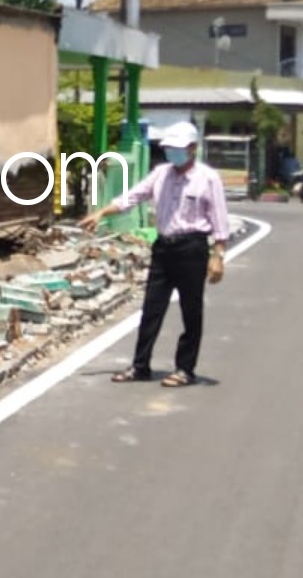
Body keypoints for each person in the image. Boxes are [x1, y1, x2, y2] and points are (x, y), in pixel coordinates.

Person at [78, 121, 230, 387]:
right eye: (170, 148)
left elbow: (219, 219)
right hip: (163, 247)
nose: (173, 153)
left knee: (191, 311)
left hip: (192, 248)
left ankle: (185, 369)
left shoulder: (208, 178)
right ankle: (140, 366)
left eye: (178, 148)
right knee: (151, 308)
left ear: (192, 148)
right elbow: (133, 197)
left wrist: (218, 256)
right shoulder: (161, 174)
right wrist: (102, 212)